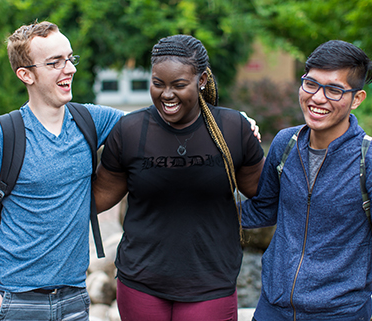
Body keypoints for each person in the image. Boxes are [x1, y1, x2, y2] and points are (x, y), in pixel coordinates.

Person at [241, 40, 372, 320]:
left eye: (334, 90)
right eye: (310, 84)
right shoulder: (285, 144)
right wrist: (196, 208)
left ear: (357, 98)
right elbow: (264, 208)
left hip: (340, 313)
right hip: (271, 310)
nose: (318, 98)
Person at [92, 34, 265, 321]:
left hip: (211, 283)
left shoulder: (233, 128)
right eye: (158, 84)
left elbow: (263, 192)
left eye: (178, 85)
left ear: (202, 80)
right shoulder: (130, 131)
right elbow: (96, 199)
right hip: (140, 283)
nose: (166, 94)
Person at [0, 21, 124, 321]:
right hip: (15, 298)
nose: (70, 69)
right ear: (26, 74)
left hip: (75, 298)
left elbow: (152, 125)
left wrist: (235, 124)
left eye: (70, 58)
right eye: (54, 63)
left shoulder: (91, 121)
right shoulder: (4, 134)